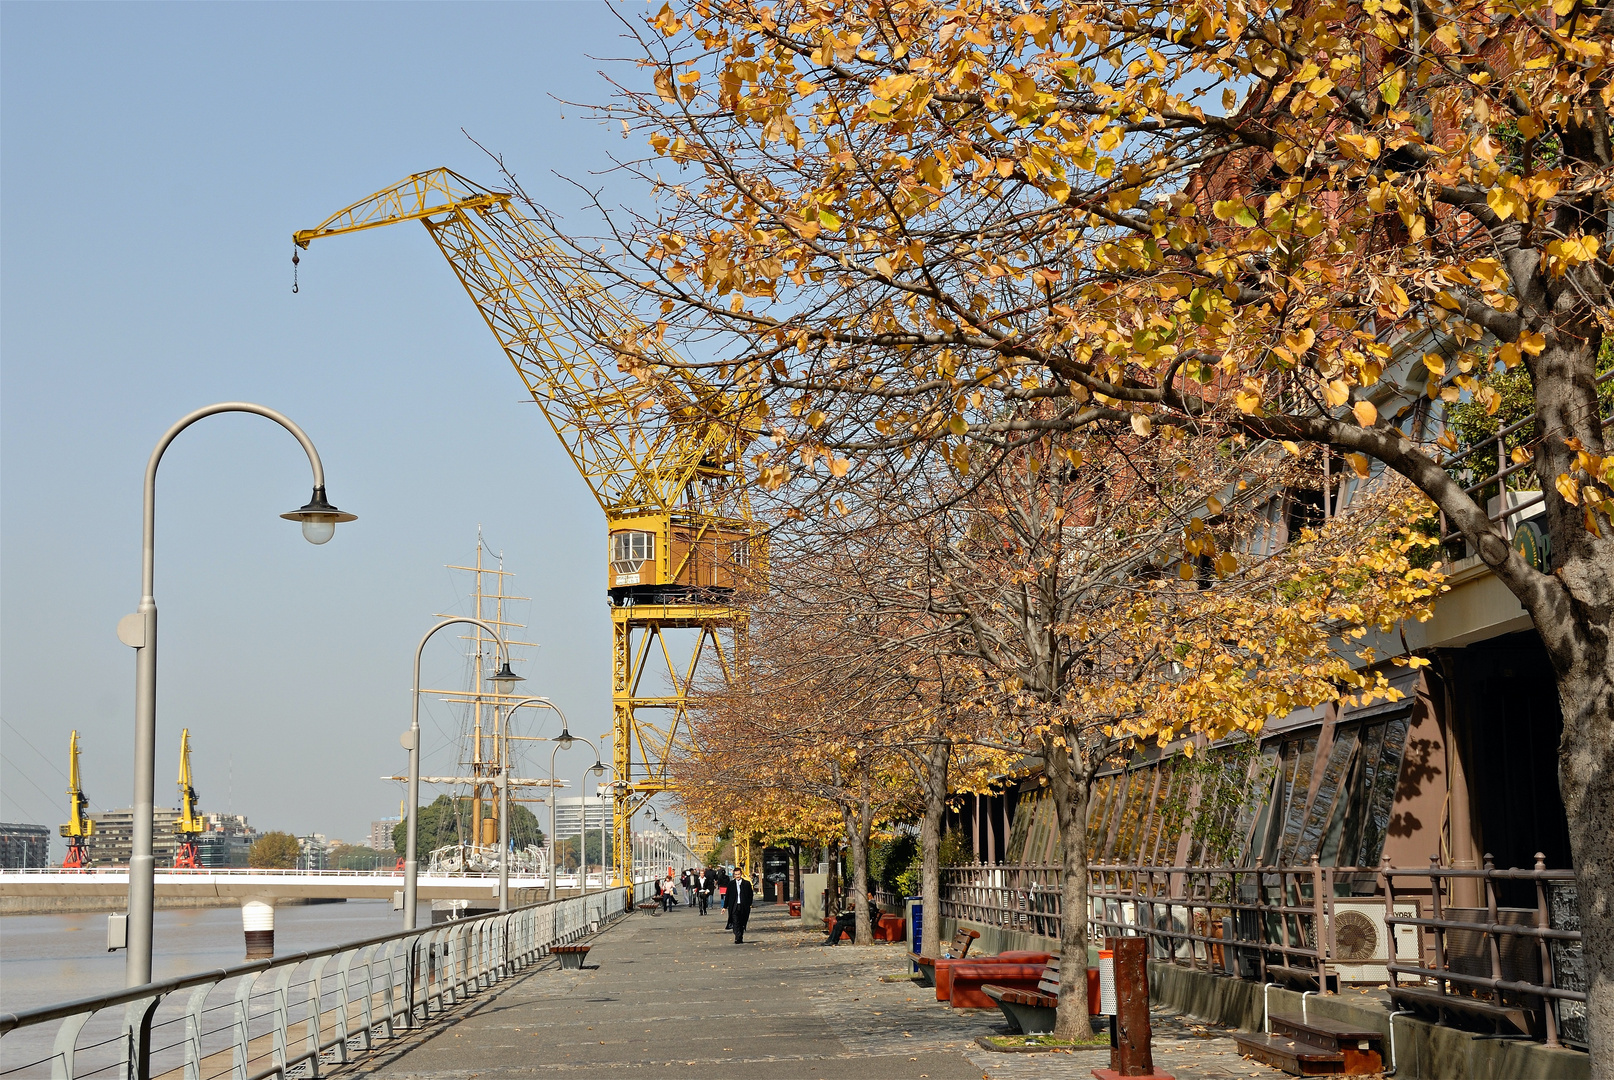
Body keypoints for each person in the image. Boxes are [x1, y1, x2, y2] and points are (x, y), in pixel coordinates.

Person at [730, 871, 755, 943]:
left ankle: (740, 936)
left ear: (741, 874)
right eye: (736, 874)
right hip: (734, 906)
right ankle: (737, 936)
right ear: (734, 875)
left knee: (742, 921)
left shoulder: (746, 884)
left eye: (738, 874)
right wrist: (724, 907)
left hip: (743, 906)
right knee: (735, 921)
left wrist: (749, 904)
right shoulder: (731, 884)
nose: (737, 876)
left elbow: (750, 895)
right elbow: (728, 895)